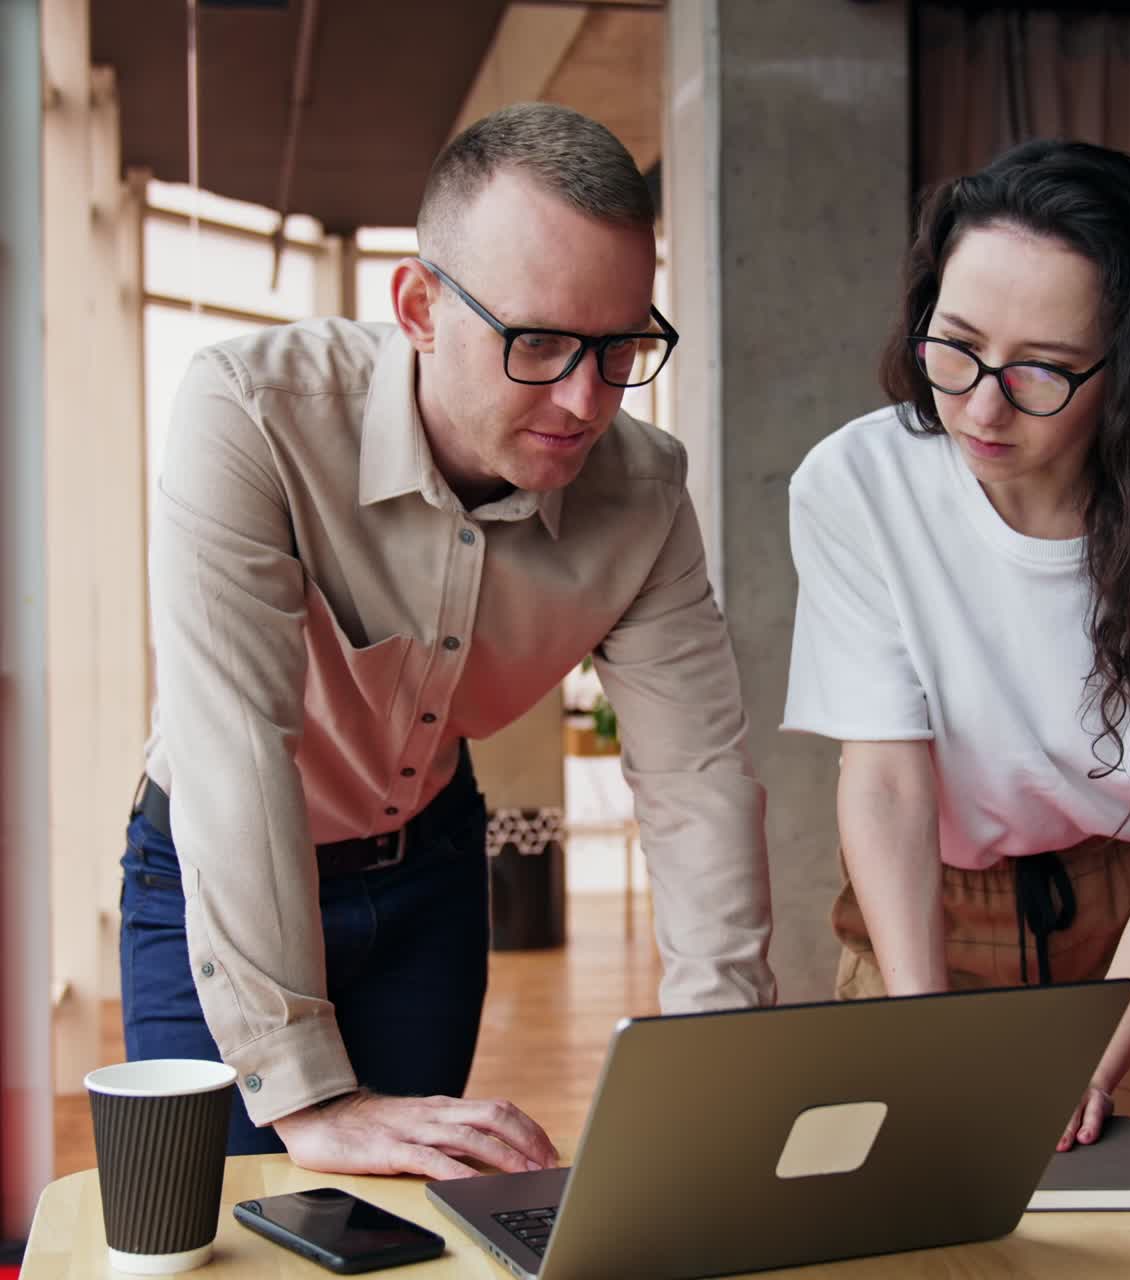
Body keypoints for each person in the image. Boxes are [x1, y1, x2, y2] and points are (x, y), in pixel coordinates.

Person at [122, 102, 775, 1178]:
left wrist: (713, 1056)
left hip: (427, 875)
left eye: (620, 349)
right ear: (420, 306)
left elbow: (697, 778)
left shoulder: (644, 493)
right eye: (539, 343)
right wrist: (309, 1090)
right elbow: (234, 755)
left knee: (397, 1231)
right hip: (208, 868)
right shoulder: (249, 414)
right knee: (227, 1233)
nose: (584, 399)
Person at [783, 138, 1130, 1174]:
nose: (978, 405)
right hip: (927, 906)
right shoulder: (857, 484)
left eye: (1042, 371)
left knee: (1114, 1239)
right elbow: (882, 775)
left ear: (1128, 371)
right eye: (953, 345)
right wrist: (918, 1023)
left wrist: (1088, 1065)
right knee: (903, 1227)